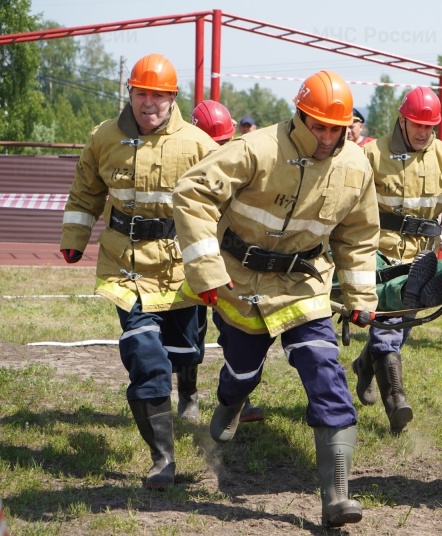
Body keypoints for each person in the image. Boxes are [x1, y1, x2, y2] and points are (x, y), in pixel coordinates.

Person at [172, 70, 379, 529]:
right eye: (319, 126)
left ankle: (337, 495)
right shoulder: (255, 148)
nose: (327, 138)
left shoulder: (357, 167)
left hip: (304, 285)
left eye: (336, 128)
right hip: (240, 282)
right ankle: (231, 401)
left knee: (325, 370)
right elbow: (192, 193)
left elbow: (360, 236)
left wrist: (362, 295)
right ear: (300, 116)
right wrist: (206, 270)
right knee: (242, 371)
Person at [59, 53, 218, 489]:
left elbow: (225, 204)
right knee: (146, 360)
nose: (149, 103)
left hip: (180, 268)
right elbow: (85, 192)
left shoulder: (200, 144)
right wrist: (74, 239)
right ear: (129, 92)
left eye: (159, 95)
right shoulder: (103, 137)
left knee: (186, 351)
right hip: (124, 268)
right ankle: (162, 459)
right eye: (142, 93)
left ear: (172, 98)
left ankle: (188, 389)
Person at [352, 86, 442, 433]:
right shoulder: (370, 154)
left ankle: (365, 365)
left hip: (420, 260)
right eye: (416, 124)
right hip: (376, 255)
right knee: (389, 334)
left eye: (430, 126)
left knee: (397, 330)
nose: (423, 133)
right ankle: (397, 403)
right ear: (402, 120)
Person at [189, 100, 265, 423]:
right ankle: (187, 396)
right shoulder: (185, 163)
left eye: (223, 144)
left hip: (228, 263)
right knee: (191, 331)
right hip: (189, 259)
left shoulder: (238, 164)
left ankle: (238, 401)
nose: (218, 151)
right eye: (213, 144)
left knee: (233, 328)